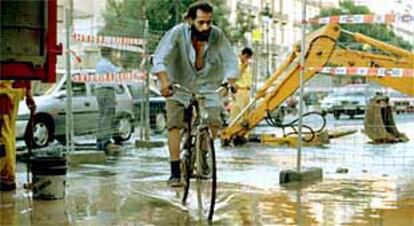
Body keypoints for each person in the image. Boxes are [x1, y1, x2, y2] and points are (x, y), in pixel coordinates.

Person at [152, 1, 239, 187]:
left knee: (214, 120)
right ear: (190, 20)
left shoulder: (217, 35)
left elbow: (231, 60)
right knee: (174, 124)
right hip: (178, 85)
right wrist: (165, 81)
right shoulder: (177, 33)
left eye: (209, 22)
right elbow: (160, 58)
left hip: (207, 85)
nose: (206, 26)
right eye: (201, 22)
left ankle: (203, 153)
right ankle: (175, 171)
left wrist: (230, 81)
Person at [0, 80, 35, 191]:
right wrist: (29, 94)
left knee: (4, 134)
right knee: (8, 132)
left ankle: (6, 175)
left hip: (5, 91)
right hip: (13, 89)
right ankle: (7, 174)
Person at [95, 47, 121, 153]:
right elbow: (120, 72)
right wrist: (118, 61)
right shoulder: (106, 65)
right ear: (109, 53)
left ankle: (101, 140)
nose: (115, 55)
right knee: (108, 116)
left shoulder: (100, 64)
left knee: (103, 116)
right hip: (106, 91)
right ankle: (105, 141)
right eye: (114, 52)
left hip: (102, 91)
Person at [229, 47, 253, 125]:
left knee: (246, 114)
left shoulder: (247, 65)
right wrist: (243, 67)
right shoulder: (235, 64)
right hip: (239, 90)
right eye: (246, 57)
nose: (247, 59)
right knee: (239, 113)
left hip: (246, 90)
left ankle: (245, 134)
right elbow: (235, 76)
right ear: (242, 55)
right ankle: (234, 131)